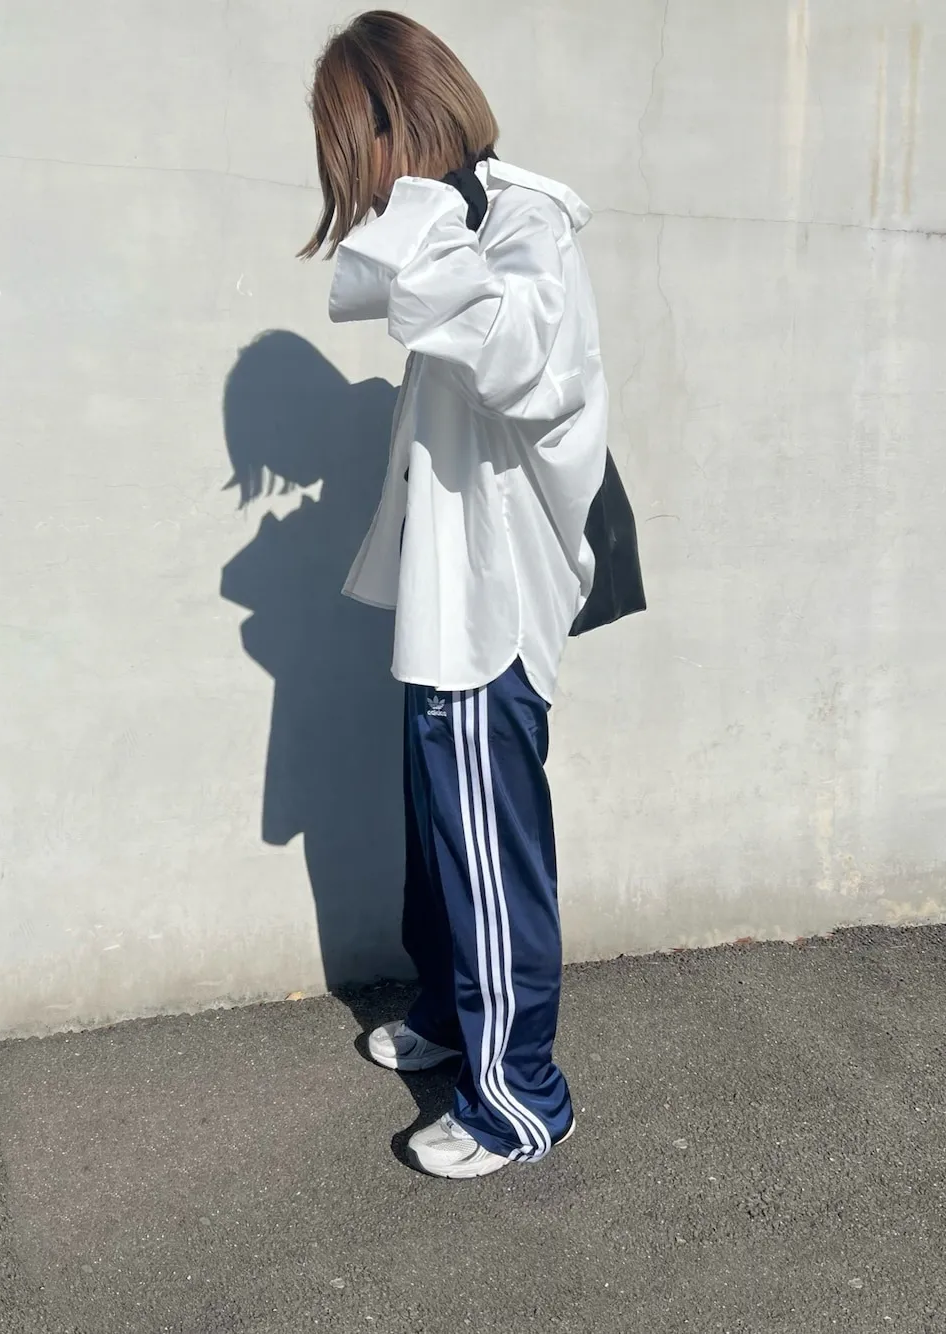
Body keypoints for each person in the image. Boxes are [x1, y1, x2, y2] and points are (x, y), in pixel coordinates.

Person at [300, 11, 645, 1179]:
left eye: (349, 147)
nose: (352, 183)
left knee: (493, 858)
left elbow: (522, 366)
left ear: (396, 120)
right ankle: (454, 1016)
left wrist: (427, 222)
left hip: (491, 612)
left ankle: (521, 1098)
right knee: (444, 847)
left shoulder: (521, 219)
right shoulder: (463, 221)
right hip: (445, 605)